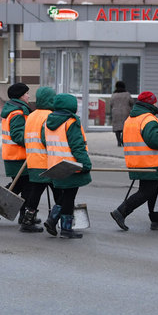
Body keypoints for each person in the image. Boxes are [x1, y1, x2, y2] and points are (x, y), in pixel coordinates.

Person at [110, 91, 158, 231]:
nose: (156, 104)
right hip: (152, 163)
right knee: (146, 192)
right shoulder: (148, 119)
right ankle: (121, 212)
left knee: (153, 191)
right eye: (154, 102)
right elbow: (155, 141)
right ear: (150, 103)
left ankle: (157, 220)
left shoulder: (131, 119)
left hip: (138, 162)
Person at [43, 93, 92, 239]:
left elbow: (44, 141)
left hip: (55, 164)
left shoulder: (47, 122)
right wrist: (86, 163)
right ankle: (61, 226)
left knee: (65, 195)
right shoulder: (71, 122)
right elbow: (77, 146)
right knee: (69, 196)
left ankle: (54, 221)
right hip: (71, 165)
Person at [21, 86, 58, 234]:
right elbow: (48, 139)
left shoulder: (32, 115)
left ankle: (27, 219)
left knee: (35, 192)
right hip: (47, 162)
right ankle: (56, 219)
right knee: (60, 193)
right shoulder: (49, 116)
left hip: (33, 160)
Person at [1, 82, 33, 225]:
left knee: (19, 185)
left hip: (14, 155)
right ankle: (22, 215)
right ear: (20, 96)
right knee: (25, 187)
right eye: (26, 93)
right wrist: (33, 141)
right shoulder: (17, 113)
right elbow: (17, 135)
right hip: (18, 156)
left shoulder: (13, 110)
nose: (29, 95)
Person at [109, 80, 133, 148]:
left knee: (117, 128)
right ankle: (123, 141)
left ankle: (118, 141)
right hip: (126, 112)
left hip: (116, 113)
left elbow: (111, 104)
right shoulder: (127, 94)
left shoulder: (114, 95)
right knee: (124, 127)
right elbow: (131, 102)